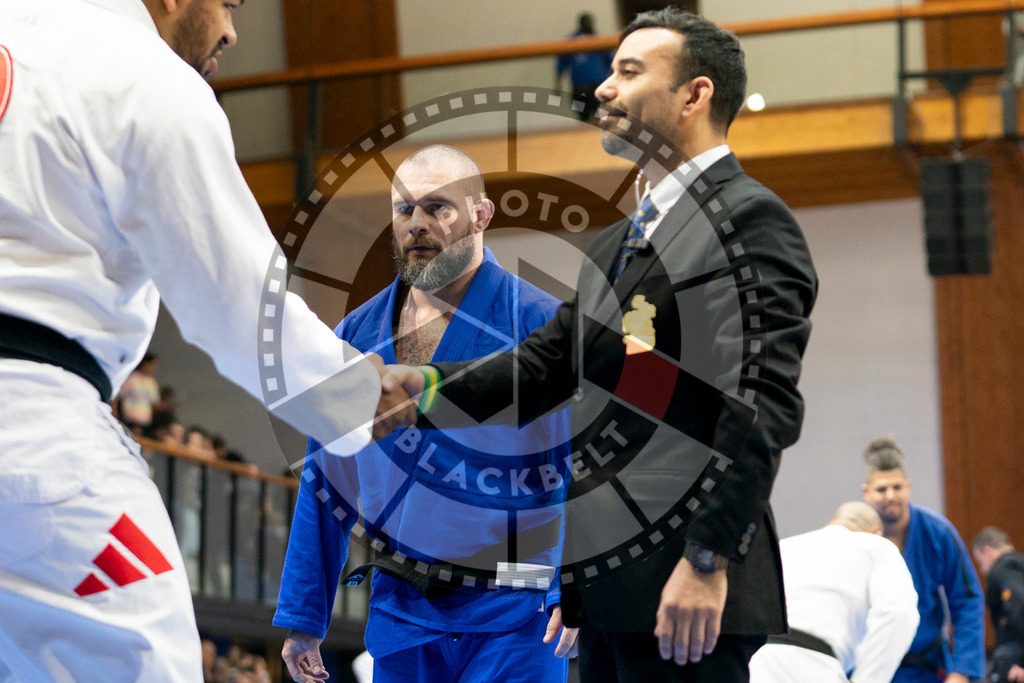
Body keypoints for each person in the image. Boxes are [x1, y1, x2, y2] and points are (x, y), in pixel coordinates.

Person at [382, 8, 818, 681]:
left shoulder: (750, 220)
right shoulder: (619, 241)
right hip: (610, 588)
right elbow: (549, 364)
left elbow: (758, 407)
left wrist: (707, 559)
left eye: (629, 71)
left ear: (695, 95)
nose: (604, 88)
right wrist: (424, 389)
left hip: (685, 584)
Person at [0, 1, 415, 680]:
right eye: (227, 3)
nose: (231, 31)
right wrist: (357, 392)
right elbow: (241, 307)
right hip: (33, 441)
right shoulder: (140, 72)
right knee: (150, 661)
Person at [275, 146, 575, 683]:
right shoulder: (356, 336)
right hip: (403, 612)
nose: (417, 223)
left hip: (517, 613)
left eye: (438, 208)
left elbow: (576, 467)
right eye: (404, 209)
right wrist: (305, 614)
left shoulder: (538, 323)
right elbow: (326, 481)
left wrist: (570, 587)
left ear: (481, 215)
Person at [748, 502, 919, 683]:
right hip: (815, 667)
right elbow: (898, 612)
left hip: (757, 664)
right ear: (876, 533)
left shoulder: (783, 546)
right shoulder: (877, 546)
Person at [861, 437, 985, 683]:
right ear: (866, 492)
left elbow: (967, 600)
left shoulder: (938, 533)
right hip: (869, 668)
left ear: (909, 486)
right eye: (881, 489)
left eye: (897, 487)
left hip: (927, 668)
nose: (890, 495)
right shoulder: (857, 537)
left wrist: (962, 671)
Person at [972, 526, 1024, 682]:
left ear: (987, 550)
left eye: (980, 561)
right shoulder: (1019, 565)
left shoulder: (1003, 568)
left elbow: (1019, 610)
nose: (982, 570)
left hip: (1015, 657)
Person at [556, 12, 613, 121]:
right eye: (586, 22)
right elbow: (560, 65)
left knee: (601, 116)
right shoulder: (571, 41)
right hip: (580, 86)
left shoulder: (599, 40)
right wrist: (557, 85)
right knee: (585, 117)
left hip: (598, 84)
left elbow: (611, 63)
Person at [117, 352, 161, 435]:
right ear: (145, 364)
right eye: (152, 365)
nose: (153, 368)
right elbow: (121, 396)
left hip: (144, 421)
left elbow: (154, 402)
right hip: (130, 419)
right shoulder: (132, 378)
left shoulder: (152, 382)